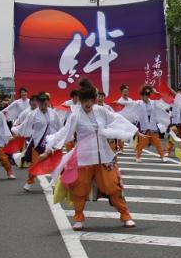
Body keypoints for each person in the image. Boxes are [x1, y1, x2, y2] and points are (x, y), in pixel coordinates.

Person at [45, 79, 139, 230]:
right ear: (80, 101)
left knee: (113, 187)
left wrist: (133, 131)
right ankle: (79, 218)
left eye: (90, 100)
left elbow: (117, 120)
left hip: (104, 156)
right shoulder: (75, 116)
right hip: (84, 158)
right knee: (80, 188)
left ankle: (126, 216)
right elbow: (65, 133)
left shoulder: (101, 111)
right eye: (85, 101)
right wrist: (50, 147)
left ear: (94, 100)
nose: (88, 104)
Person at [11, 92, 62, 191]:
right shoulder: (33, 114)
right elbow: (25, 125)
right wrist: (16, 130)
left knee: (56, 164)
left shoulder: (54, 113)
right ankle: (30, 181)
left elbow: (60, 126)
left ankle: (58, 184)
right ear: (38, 103)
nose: (43, 105)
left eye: (45, 103)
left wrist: (63, 137)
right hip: (37, 142)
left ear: (48, 102)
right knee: (35, 164)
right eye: (41, 103)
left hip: (51, 142)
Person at [119, 85, 170, 163]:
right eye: (143, 95)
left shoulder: (153, 103)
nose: (144, 97)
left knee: (157, 141)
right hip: (143, 125)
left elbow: (161, 103)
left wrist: (156, 93)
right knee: (142, 143)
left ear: (148, 96)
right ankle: (138, 156)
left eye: (146, 95)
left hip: (152, 124)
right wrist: (118, 103)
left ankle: (162, 156)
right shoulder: (138, 103)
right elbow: (129, 104)